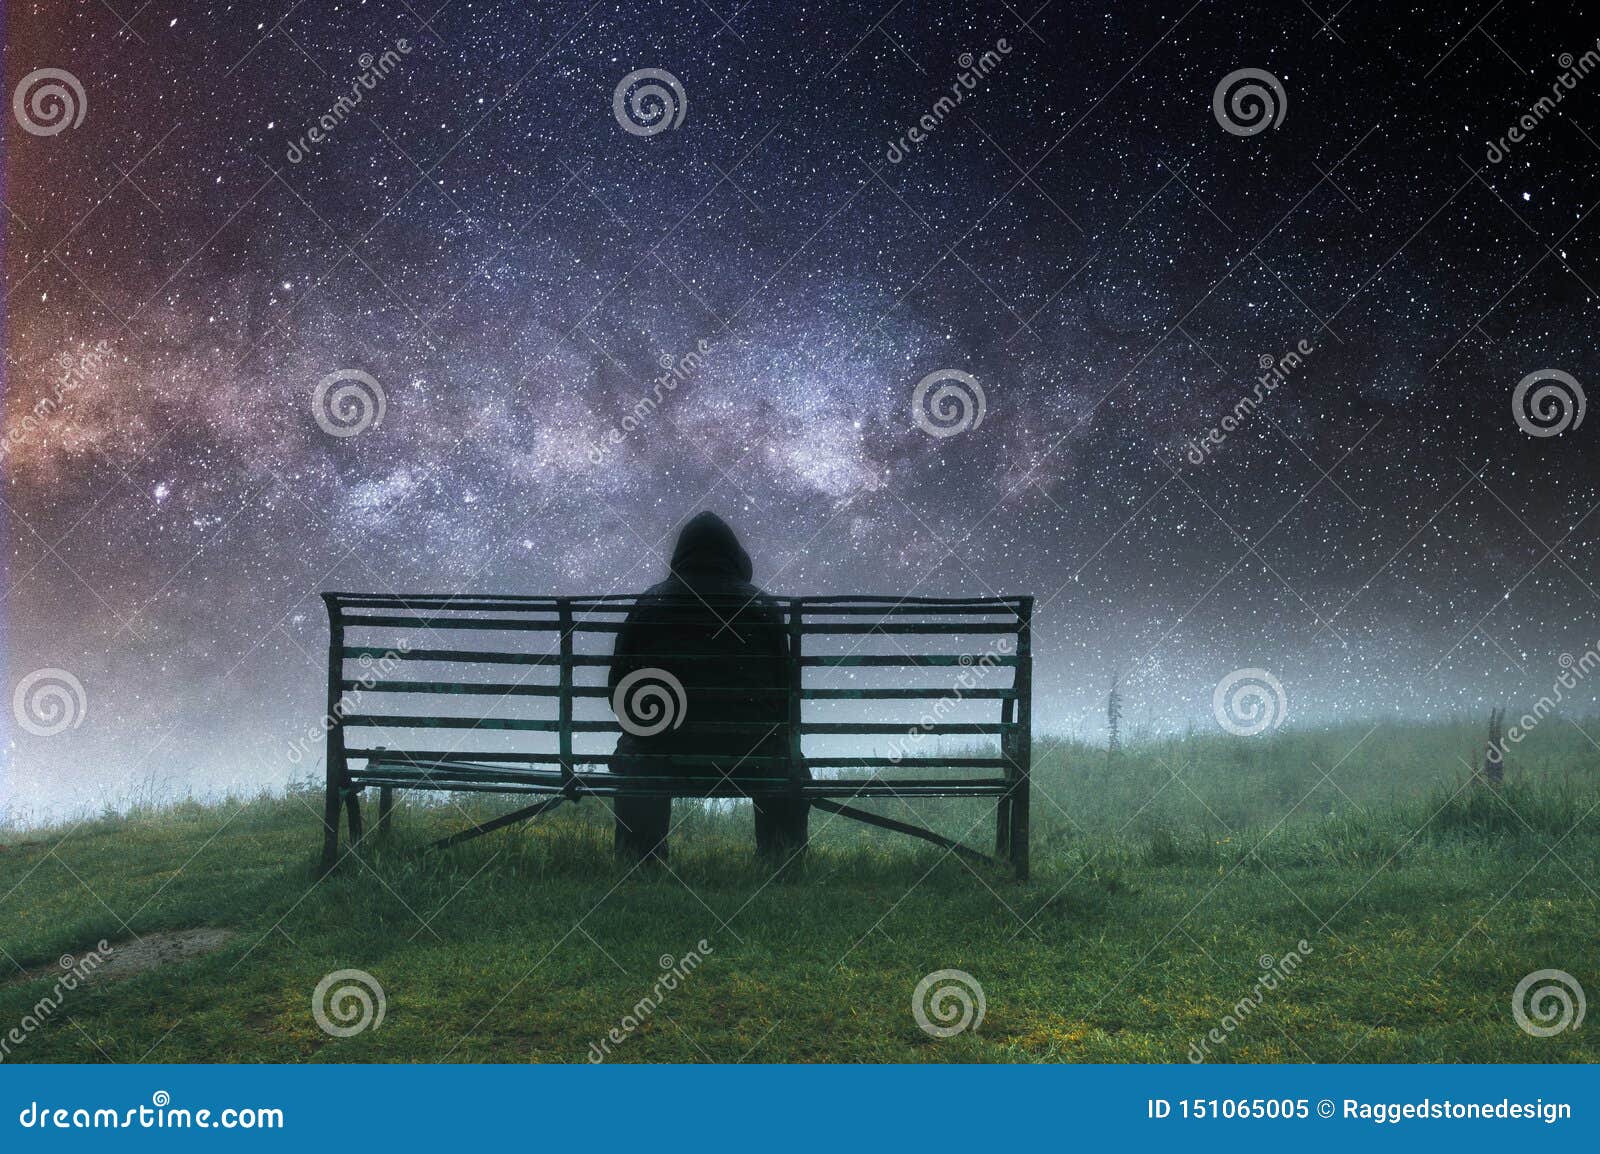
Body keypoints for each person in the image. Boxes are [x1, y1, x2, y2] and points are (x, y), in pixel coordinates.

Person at [607, 511, 808, 864]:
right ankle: (782, 858)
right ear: (733, 557)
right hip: (753, 756)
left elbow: (619, 691)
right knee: (784, 758)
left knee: (638, 749)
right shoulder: (764, 607)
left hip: (662, 753)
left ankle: (639, 857)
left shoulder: (649, 604)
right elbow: (787, 698)